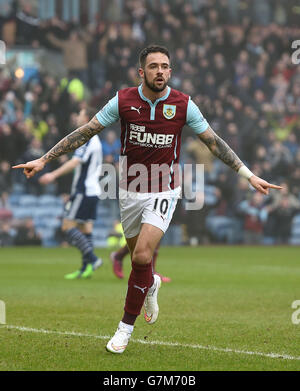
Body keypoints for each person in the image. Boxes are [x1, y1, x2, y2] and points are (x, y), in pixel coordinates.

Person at [13, 45, 282, 354]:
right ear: (141, 72)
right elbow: (86, 132)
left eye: (165, 66)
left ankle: (124, 329)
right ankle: (151, 283)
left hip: (165, 190)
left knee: (141, 257)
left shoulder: (184, 105)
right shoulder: (123, 100)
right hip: (128, 191)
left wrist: (249, 175)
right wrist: (44, 160)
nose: (160, 71)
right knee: (139, 263)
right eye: (153, 66)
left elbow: (214, 142)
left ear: (170, 70)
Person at [39, 108, 103, 279]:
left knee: (67, 226)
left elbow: (75, 162)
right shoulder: (96, 140)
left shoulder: (88, 139)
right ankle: (85, 268)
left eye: (80, 114)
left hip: (84, 191)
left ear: (88, 119)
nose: (76, 117)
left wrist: (52, 174)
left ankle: (92, 258)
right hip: (93, 190)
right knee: (85, 228)